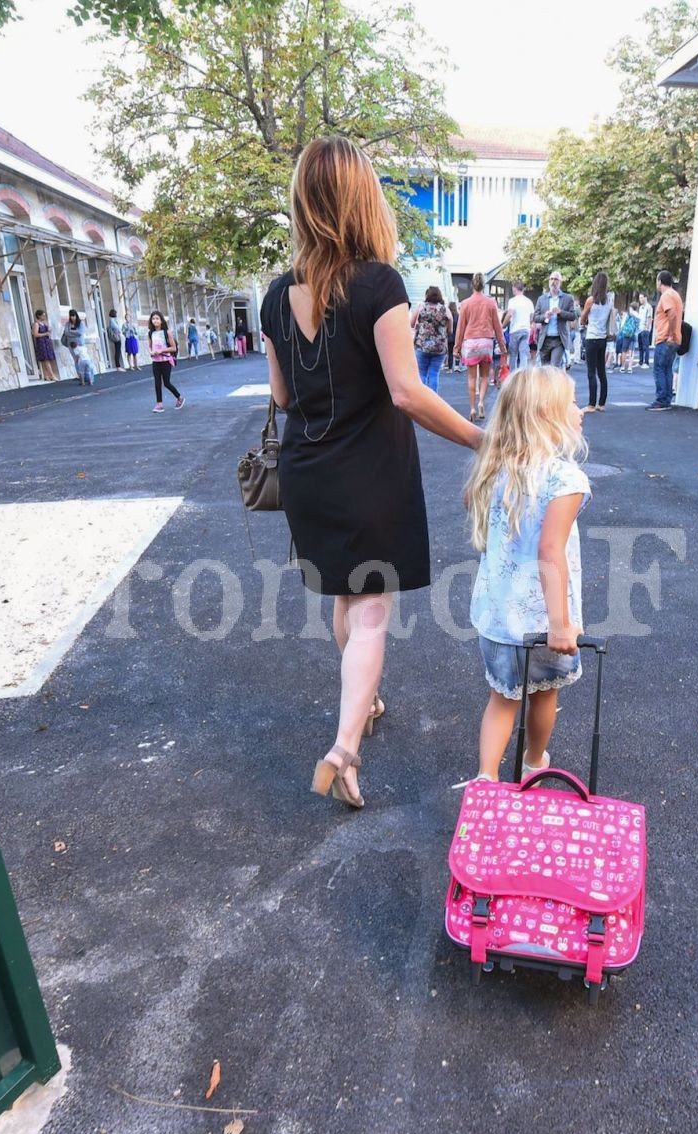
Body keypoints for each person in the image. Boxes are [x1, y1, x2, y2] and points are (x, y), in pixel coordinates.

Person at [261, 135, 483, 810]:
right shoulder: (380, 284)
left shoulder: (274, 296)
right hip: (369, 472)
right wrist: (484, 437)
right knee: (373, 614)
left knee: (344, 599)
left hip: (309, 472)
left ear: (305, 202)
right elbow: (407, 392)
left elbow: (280, 397)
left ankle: (366, 701)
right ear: (363, 200)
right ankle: (345, 746)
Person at [463, 365, 589, 782]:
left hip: (498, 617)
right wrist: (561, 624)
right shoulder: (564, 477)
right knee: (544, 694)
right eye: (571, 401)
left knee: (501, 699)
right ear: (547, 416)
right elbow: (550, 550)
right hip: (540, 620)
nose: (579, 408)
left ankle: (486, 780)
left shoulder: (495, 470)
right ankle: (534, 764)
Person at [455, 272, 507, 422]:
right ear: (484, 285)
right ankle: (481, 403)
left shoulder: (465, 303)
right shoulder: (491, 303)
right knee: (485, 376)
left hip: (470, 342)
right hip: (486, 341)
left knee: (472, 377)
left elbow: (460, 327)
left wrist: (456, 348)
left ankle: (471, 407)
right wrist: (502, 346)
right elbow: (497, 326)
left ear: (472, 285)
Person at [579, 272, 616, 413]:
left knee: (591, 372)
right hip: (602, 338)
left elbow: (583, 318)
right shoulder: (609, 302)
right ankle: (602, 403)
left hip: (591, 337)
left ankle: (591, 404)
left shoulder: (591, 300)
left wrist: (586, 322)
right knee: (602, 372)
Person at [649, 269, 683, 411]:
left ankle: (661, 400)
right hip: (675, 339)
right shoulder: (676, 295)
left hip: (665, 339)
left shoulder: (666, 296)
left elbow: (672, 314)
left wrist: (670, 334)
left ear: (660, 281)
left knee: (659, 369)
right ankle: (667, 398)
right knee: (667, 368)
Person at [532, 272, 577, 369]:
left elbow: (573, 316)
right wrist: (545, 316)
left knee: (554, 368)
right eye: (551, 279)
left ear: (560, 282)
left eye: (556, 279)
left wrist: (561, 312)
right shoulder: (542, 299)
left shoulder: (567, 298)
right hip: (545, 339)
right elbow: (535, 317)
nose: (553, 282)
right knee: (544, 370)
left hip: (559, 339)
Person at [410, 285, 451, 390]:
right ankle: (433, 397)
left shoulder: (421, 306)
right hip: (439, 347)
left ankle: (421, 399)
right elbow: (450, 319)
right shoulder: (444, 309)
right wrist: (448, 330)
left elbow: (411, 323)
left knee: (422, 373)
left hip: (422, 345)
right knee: (434, 374)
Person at [145, 310, 183, 411]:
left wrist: (161, 350)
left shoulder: (167, 332)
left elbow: (173, 348)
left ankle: (179, 397)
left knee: (166, 383)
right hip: (156, 361)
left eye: (157, 318)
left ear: (161, 320)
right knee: (157, 382)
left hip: (166, 360)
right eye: (153, 319)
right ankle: (159, 404)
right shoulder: (150, 333)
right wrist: (151, 352)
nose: (155, 320)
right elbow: (149, 346)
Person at [504, 281, 534, 371]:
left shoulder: (513, 301)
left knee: (513, 354)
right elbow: (532, 317)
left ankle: (513, 375)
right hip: (525, 329)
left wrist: (503, 325)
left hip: (515, 330)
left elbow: (510, 314)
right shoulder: (529, 301)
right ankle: (523, 376)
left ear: (514, 288)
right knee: (523, 354)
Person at [61, 309, 94, 385]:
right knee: (76, 360)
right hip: (71, 345)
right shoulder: (67, 324)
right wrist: (73, 333)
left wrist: (70, 332)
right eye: (71, 316)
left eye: (74, 316)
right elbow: (66, 332)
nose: (73, 318)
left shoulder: (81, 323)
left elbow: (80, 332)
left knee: (83, 359)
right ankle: (80, 376)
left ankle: (87, 377)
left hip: (80, 344)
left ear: (76, 316)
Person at [31, 310, 59, 382]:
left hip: (46, 342)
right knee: (46, 359)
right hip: (41, 342)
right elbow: (35, 334)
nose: (44, 317)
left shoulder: (43, 323)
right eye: (43, 315)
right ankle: (52, 375)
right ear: (39, 316)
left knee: (47, 359)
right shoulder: (36, 324)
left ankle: (46, 376)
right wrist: (45, 334)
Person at [616, 302, 641, 373]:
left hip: (626, 334)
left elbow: (623, 324)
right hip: (634, 335)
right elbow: (639, 327)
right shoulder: (638, 316)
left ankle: (623, 367)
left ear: (631, 308)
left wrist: (621, 331)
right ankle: (630, 367)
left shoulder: (628, 315)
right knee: (631, 351)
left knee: (624, 350)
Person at [636, 294, 654, 367]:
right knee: (640, 346)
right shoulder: (640, 307)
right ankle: (640, 361)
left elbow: (649, 318)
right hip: (640, 329)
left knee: (645, 346)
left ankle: (646, 362)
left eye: (641, 298)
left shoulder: (649, 307)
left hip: (645, 329)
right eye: (639, 298)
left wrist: (647, 327)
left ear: (645, 298)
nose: (640, 299)